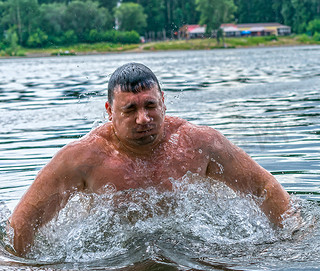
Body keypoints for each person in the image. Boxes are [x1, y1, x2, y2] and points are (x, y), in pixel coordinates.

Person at [9, 63, 293, 256]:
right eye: (130, 109)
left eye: (150, 106)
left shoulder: (200, 143)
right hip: (114, 260)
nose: (143, 118)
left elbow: (264, 188)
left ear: (163, 101)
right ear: (109, 110)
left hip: (187, 254)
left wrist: (291, 239)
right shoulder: (82, 158)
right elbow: (22, 225)